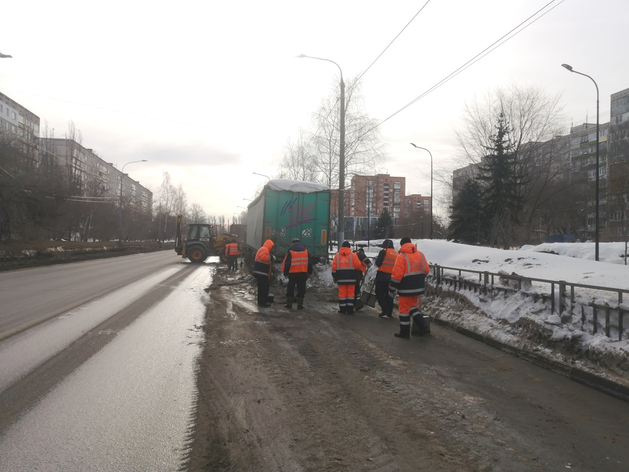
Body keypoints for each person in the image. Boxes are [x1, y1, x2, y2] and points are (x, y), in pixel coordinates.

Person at [388, 237, 430, 339]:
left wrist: (391, 289)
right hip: (418, 287)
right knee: (412, 307)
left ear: (402, 245)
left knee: (404, 310)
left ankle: (404, 332)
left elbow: (397, 276)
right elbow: (426, 270)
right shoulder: (420, 254)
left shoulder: (401, 257)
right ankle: (422, 324)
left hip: (405, 288)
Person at [331, 241, 364, 314]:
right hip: (351, 278)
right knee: (350, 294)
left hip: (341, 278)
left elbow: (334, 267)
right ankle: (350, 310)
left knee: (342, 294)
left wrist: (334, 276)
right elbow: (358, 266)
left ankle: (342, 309)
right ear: (349, 247)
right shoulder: (353, 255)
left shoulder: (337, 256)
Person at [281, 238, 312, 309]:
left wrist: (285, 273)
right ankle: (300, 305)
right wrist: (309, 272)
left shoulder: (290, 251)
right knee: (301, 288)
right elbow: (310, 263)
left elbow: (287, 264)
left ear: (293, 243)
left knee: (290, 288)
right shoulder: (306, 251)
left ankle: (289, 304)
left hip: (293, 273)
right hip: (303, 273)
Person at [374, 239, 398, 318]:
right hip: (392, 277)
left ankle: (385, 309)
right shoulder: (396, 253)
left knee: (379, 293)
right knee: (389, 294)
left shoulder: (383, 251)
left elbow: (378, 263)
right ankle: (389, 312)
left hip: (382, 276)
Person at [252, 239, 275, 307]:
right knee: (264, 288)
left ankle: (261, 301)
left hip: (261, 272)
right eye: (272, 247)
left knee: (262, 288)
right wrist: (271, 257)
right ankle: (262, 302)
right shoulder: (265, 249)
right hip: (261, 272)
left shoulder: (263, 249)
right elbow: (263, 258)